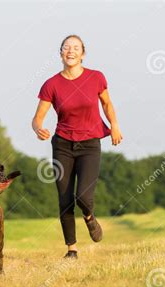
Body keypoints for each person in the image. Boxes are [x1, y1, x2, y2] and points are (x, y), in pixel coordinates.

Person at [31, 34, 123, 259]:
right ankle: (71, 249)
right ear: (60, 52)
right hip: (62, 144)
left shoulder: (96, 77)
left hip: (90, 144)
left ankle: (89, 217)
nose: (70, 51)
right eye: (66, 47)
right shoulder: (51, 84)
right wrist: (38, 128)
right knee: (64, 198)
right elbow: (37, 117)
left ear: (83, 53)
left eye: (75, 48)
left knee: (83, 195)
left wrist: (115, 125)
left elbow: (107, 103)